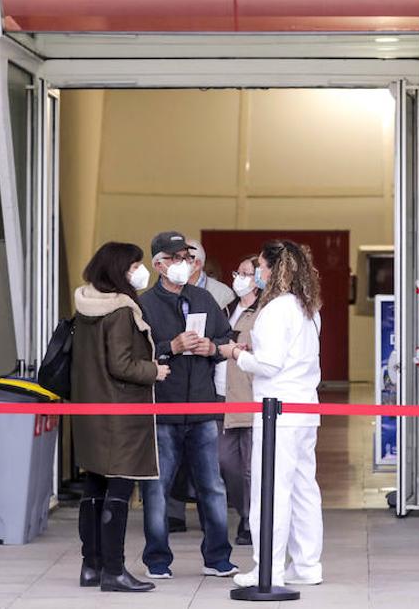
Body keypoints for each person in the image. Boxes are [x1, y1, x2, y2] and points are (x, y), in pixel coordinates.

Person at [137, 231, 239, 580]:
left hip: (202, 408)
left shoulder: (204, 299)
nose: (183, 263)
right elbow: (135, 356)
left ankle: (217, 557)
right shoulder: (143, 305)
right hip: (162, 410)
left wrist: (212, 348)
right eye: (175, 257)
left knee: (212, 486)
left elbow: (227, 338)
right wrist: (171, 346)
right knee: (158, 487)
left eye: (186, 256)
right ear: (159, 264)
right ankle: (157, 559)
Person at [72, 241, 171, 592]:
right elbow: (121, 364)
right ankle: (114, 570)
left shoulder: (86, 306)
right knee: (119, 487)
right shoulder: (120, 311)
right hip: (121, 415)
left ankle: (91, 565)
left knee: (94, 486)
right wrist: (154, 371)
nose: (138, 272)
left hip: (91, 411)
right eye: (133, 266)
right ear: (118, 270)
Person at [225, 240, 324, 588]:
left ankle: (268, 566)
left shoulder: (274, 310)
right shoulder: (307, 308)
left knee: (270, 491)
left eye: (262, 268)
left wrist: (236, 353)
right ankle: (309, 565)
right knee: (303, 489)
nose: (258, 275)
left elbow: (267, 365)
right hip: (304, 408)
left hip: (277, 411)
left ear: (274, 270)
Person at [218, 256, 260, 546]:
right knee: (225, 461)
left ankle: (249, 519)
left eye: (246, 273)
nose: (239, 277)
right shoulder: (229, 308)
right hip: (220, 395)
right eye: (238, 271)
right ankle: (244, 511)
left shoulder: (264, 311)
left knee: (247, 464)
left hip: (247, 395)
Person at [188, 238, 236, 310]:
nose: (176, 263)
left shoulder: (223, 293)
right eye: (175, 257)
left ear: (197, 264)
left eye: (183, 258)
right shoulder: (169, 289)